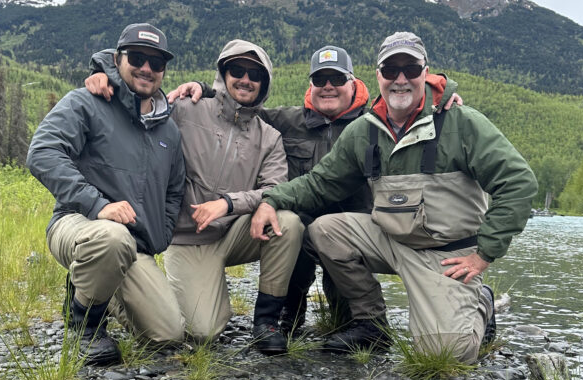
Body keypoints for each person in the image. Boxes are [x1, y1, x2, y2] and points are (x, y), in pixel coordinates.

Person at [250, 31, 538, 362]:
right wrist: (271, 201)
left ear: (425, 73)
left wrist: (484, 254)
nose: (400, 79)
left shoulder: (462, 123)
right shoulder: (365, 131)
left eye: (410, 69)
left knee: (447, 354)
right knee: (324, 230)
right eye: (390, 70)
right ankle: (371, 325)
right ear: (378, 77)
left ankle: (481, 303)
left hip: (444, 256)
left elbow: (519, 183)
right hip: (390, 240)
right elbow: (319, 182)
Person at [168, 44, 463, 337]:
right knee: (291, 225)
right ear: (310, 85)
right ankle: (286, 313)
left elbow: (407, 103)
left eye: (336, 79)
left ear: (353, 82)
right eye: (320, 80)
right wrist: (203, 89)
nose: (328, 87)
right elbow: (240, 106)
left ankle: (370, 320)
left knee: (344, 321)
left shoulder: (373, 124)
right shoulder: (285, 121)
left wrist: (441, 95)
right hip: (302, 238)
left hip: (355, 236)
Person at [86, 40, 303, 355]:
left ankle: (266, 322)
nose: (246, 79)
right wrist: (104, 72)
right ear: (223, 74)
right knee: (202, 332)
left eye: (255, 74)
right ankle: (117, 294)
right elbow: (141, 92)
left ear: (264, 82)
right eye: (237, 70)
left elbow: (275, 188)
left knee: (288, 222)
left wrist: (230, 203)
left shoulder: (269, 138)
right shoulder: (186, 109)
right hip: (187, 238)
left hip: (234, 233)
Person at [27, 22, 186, 366]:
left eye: (156, 63)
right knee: (112, 238)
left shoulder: (169, 131)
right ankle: (84, 323)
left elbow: (175, 191)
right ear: (117, 59)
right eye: (138, 58)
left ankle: (102, 286)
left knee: (167, 333)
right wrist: (98, 206)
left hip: (134, 247)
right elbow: (42, 152)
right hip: (77, 224)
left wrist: (160, 234)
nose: (146, 68)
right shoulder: (87, 101)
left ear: (163, 71)